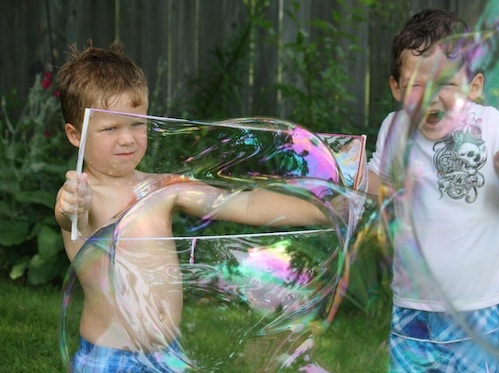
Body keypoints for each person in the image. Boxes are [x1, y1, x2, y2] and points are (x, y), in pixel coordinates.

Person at [54, 41, 334, 372]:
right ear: (76, 134)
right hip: (110, 359)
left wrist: (322, 209)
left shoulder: (162, 188)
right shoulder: (84, 196)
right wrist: (72, 203)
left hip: (166, 356)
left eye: (137, 124)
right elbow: (72, 215)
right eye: (111, 128)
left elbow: (243, 203)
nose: (127, 138)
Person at [366, 9, 499, 372]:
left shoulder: (490, 125)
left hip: (478, 309)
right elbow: (377, 188)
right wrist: (341, 172)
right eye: (415, 84)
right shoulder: (394, 128)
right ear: (396, 88)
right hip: (412, 310)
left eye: (445, 82)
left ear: (473, 87)